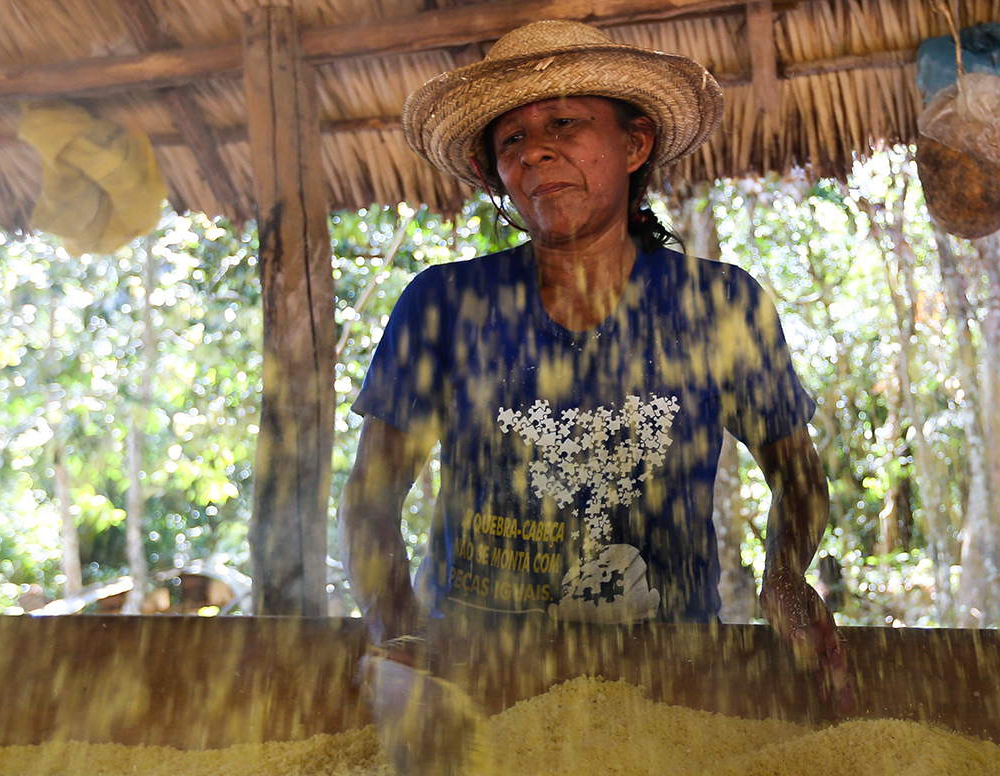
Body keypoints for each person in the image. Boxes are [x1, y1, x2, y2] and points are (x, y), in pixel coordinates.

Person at [341, 19, 851, 706]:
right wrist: (397, 633)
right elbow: (371, 500)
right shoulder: (447, 304)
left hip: (673, 681)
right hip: (474, 677)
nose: (536, 154)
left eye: (564, 124)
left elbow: (798, 475)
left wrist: (784, 575)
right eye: (512, 139)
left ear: (635, 144)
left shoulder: (719, 306)